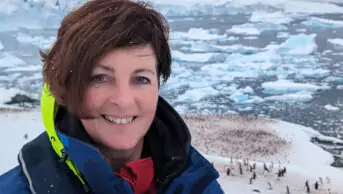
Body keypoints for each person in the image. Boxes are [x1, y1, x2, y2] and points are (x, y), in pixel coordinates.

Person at [0, 0, 223, 193]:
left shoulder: (197, 183)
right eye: (100, 78)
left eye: (141, 79)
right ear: (67, 87)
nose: (123, 100)